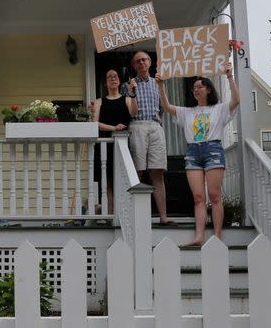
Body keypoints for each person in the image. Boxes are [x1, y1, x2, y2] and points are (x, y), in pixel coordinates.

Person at [155, 63, 240, 246]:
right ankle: (199, 237)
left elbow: (236, 100)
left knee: (215, 196)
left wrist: (230, 77)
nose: (196, 90)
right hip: (193, 152)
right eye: (194, 88)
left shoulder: (219, 109)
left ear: (208, 89)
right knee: (198, 198)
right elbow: (167, 107)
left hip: (213, 150)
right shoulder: (188, 112)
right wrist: (161, 86)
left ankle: (217, 236)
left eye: (199, 86)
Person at [127, 51, 175, 226]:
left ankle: (163, 217)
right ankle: (134, 216)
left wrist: (157, 121)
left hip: (155, 126)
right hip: (137, 124)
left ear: (150, 62)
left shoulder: (158, 83)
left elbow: (164, 107)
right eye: (138, 61)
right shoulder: (129, 85)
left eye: (144, 59)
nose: (141, 63)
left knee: (157, 172)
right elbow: (130, 111)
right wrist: (131, 91)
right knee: (137, 172)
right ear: (134, 66)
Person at [92, 68, 137, 213]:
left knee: (121, 179)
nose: (113, 78)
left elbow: (134, 113)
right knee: (107, 181)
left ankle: (122, 211)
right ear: (105, 82)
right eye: (109, 76)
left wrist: (133, 93)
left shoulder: (128, 100)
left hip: (122, 145)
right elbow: (95, 123)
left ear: (119, 80)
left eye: (115, 76)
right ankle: (111, 212)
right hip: (105, 145)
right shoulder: (99, 102)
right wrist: (114, 128)